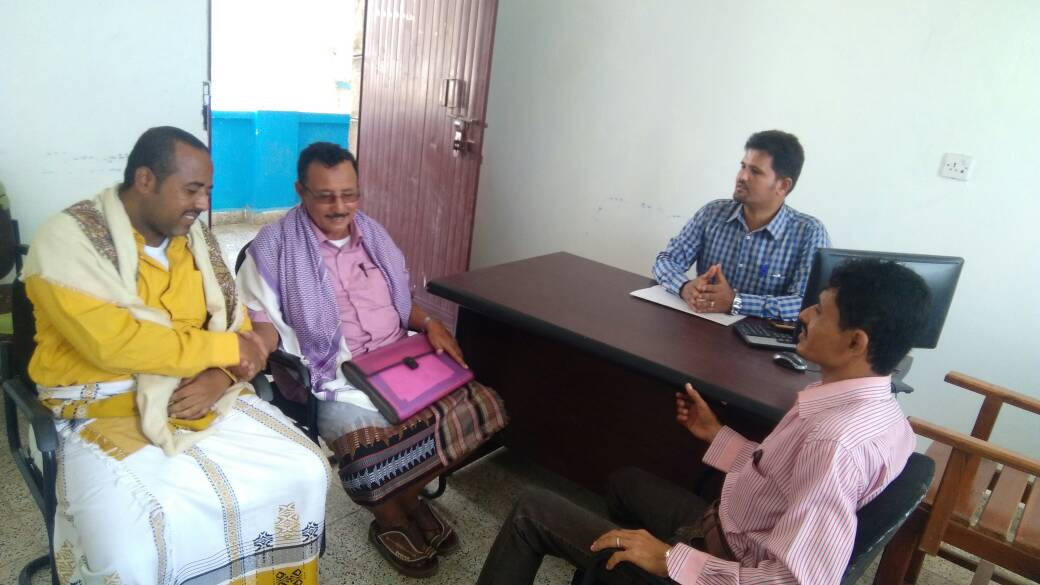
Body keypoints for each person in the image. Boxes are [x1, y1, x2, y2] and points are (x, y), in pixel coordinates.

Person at [477, 258, 930, 585]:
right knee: (623, 481)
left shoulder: (835, 443)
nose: (804, 315)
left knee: (532, 508)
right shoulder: (883, 412)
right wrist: (716, 435)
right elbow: (782, 481)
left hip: (724, 563)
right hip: (727, 528)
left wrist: (670, 560)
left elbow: (792, 581)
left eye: (821, 311)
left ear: (856, 343)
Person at [24, 126, 330, 584]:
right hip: (98, 412)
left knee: (306, 470)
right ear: (145, 180)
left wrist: (221, 378)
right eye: (191, 189)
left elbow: (237, 324)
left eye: (208, 190)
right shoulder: (68, 240)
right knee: (130, 553)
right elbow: (117, 344)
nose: (202, 203)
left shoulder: (196, 241)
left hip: (204, 397)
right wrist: (230, 350)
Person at [236, 141, 507, 577]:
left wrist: (430, 324)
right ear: (300, 191)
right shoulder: (273, 249)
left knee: (480, 406)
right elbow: (260, 322)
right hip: (333, 374)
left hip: (398, 360)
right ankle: (392, 519)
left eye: (350, 194)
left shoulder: (374, 236)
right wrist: (252, 353)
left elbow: (401, 302)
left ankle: (409, 498)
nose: (340, 207)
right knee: (368, 450)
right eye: (325, 196)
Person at [652, 130, 830, 321]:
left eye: (755, 171)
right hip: (701, 326)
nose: (742, 176)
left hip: (758, 336)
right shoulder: (713, 213)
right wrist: (684, 287)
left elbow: (807, 304)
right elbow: (666, 260)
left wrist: (736, 302)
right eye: (743, 166)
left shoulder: (809, 232)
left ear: (783, 185)